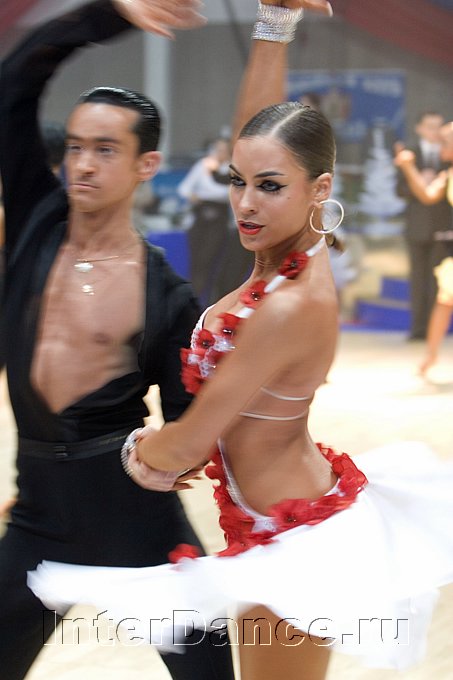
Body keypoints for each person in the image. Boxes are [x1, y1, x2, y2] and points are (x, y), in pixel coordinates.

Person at [28, 2, 453, 680]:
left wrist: (135, 452)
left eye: (269, 188)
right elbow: (259, 135)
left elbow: (189, 444)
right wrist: (274, 24)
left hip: (299, 539)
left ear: (318, 189)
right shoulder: (288, 249)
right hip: (264, 526)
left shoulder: (291, 304)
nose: (247, 204)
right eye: (238, 182)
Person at [0, 2, 236, 679]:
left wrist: (167, 450)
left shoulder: (167, 295)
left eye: (105, 150)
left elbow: (188, 431)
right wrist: (109, 12)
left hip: (137, 518)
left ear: (145, 163)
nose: (83, 164)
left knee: (209, 671)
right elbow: (15, 80)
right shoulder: (37, 221)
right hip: (38, 513)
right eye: (76, 147)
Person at [395, 121, 453, 374]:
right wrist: (408, 167)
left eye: (445, 141)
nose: (440, 145)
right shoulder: (447, 174)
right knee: (445, 299)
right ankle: (430, 356)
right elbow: (427, 195)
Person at [178, 137, 233, 306]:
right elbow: (184, 188)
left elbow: (226, 193)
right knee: (196, 262)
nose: (219, 153)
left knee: (208, 261)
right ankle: (190, 302)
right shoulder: (203, 165)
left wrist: (206, 193)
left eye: (223, 149)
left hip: (219, 221)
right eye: (216, 149)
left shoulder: (232, 170)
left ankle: (206, 302)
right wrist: (194, 196)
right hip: (200, 218)